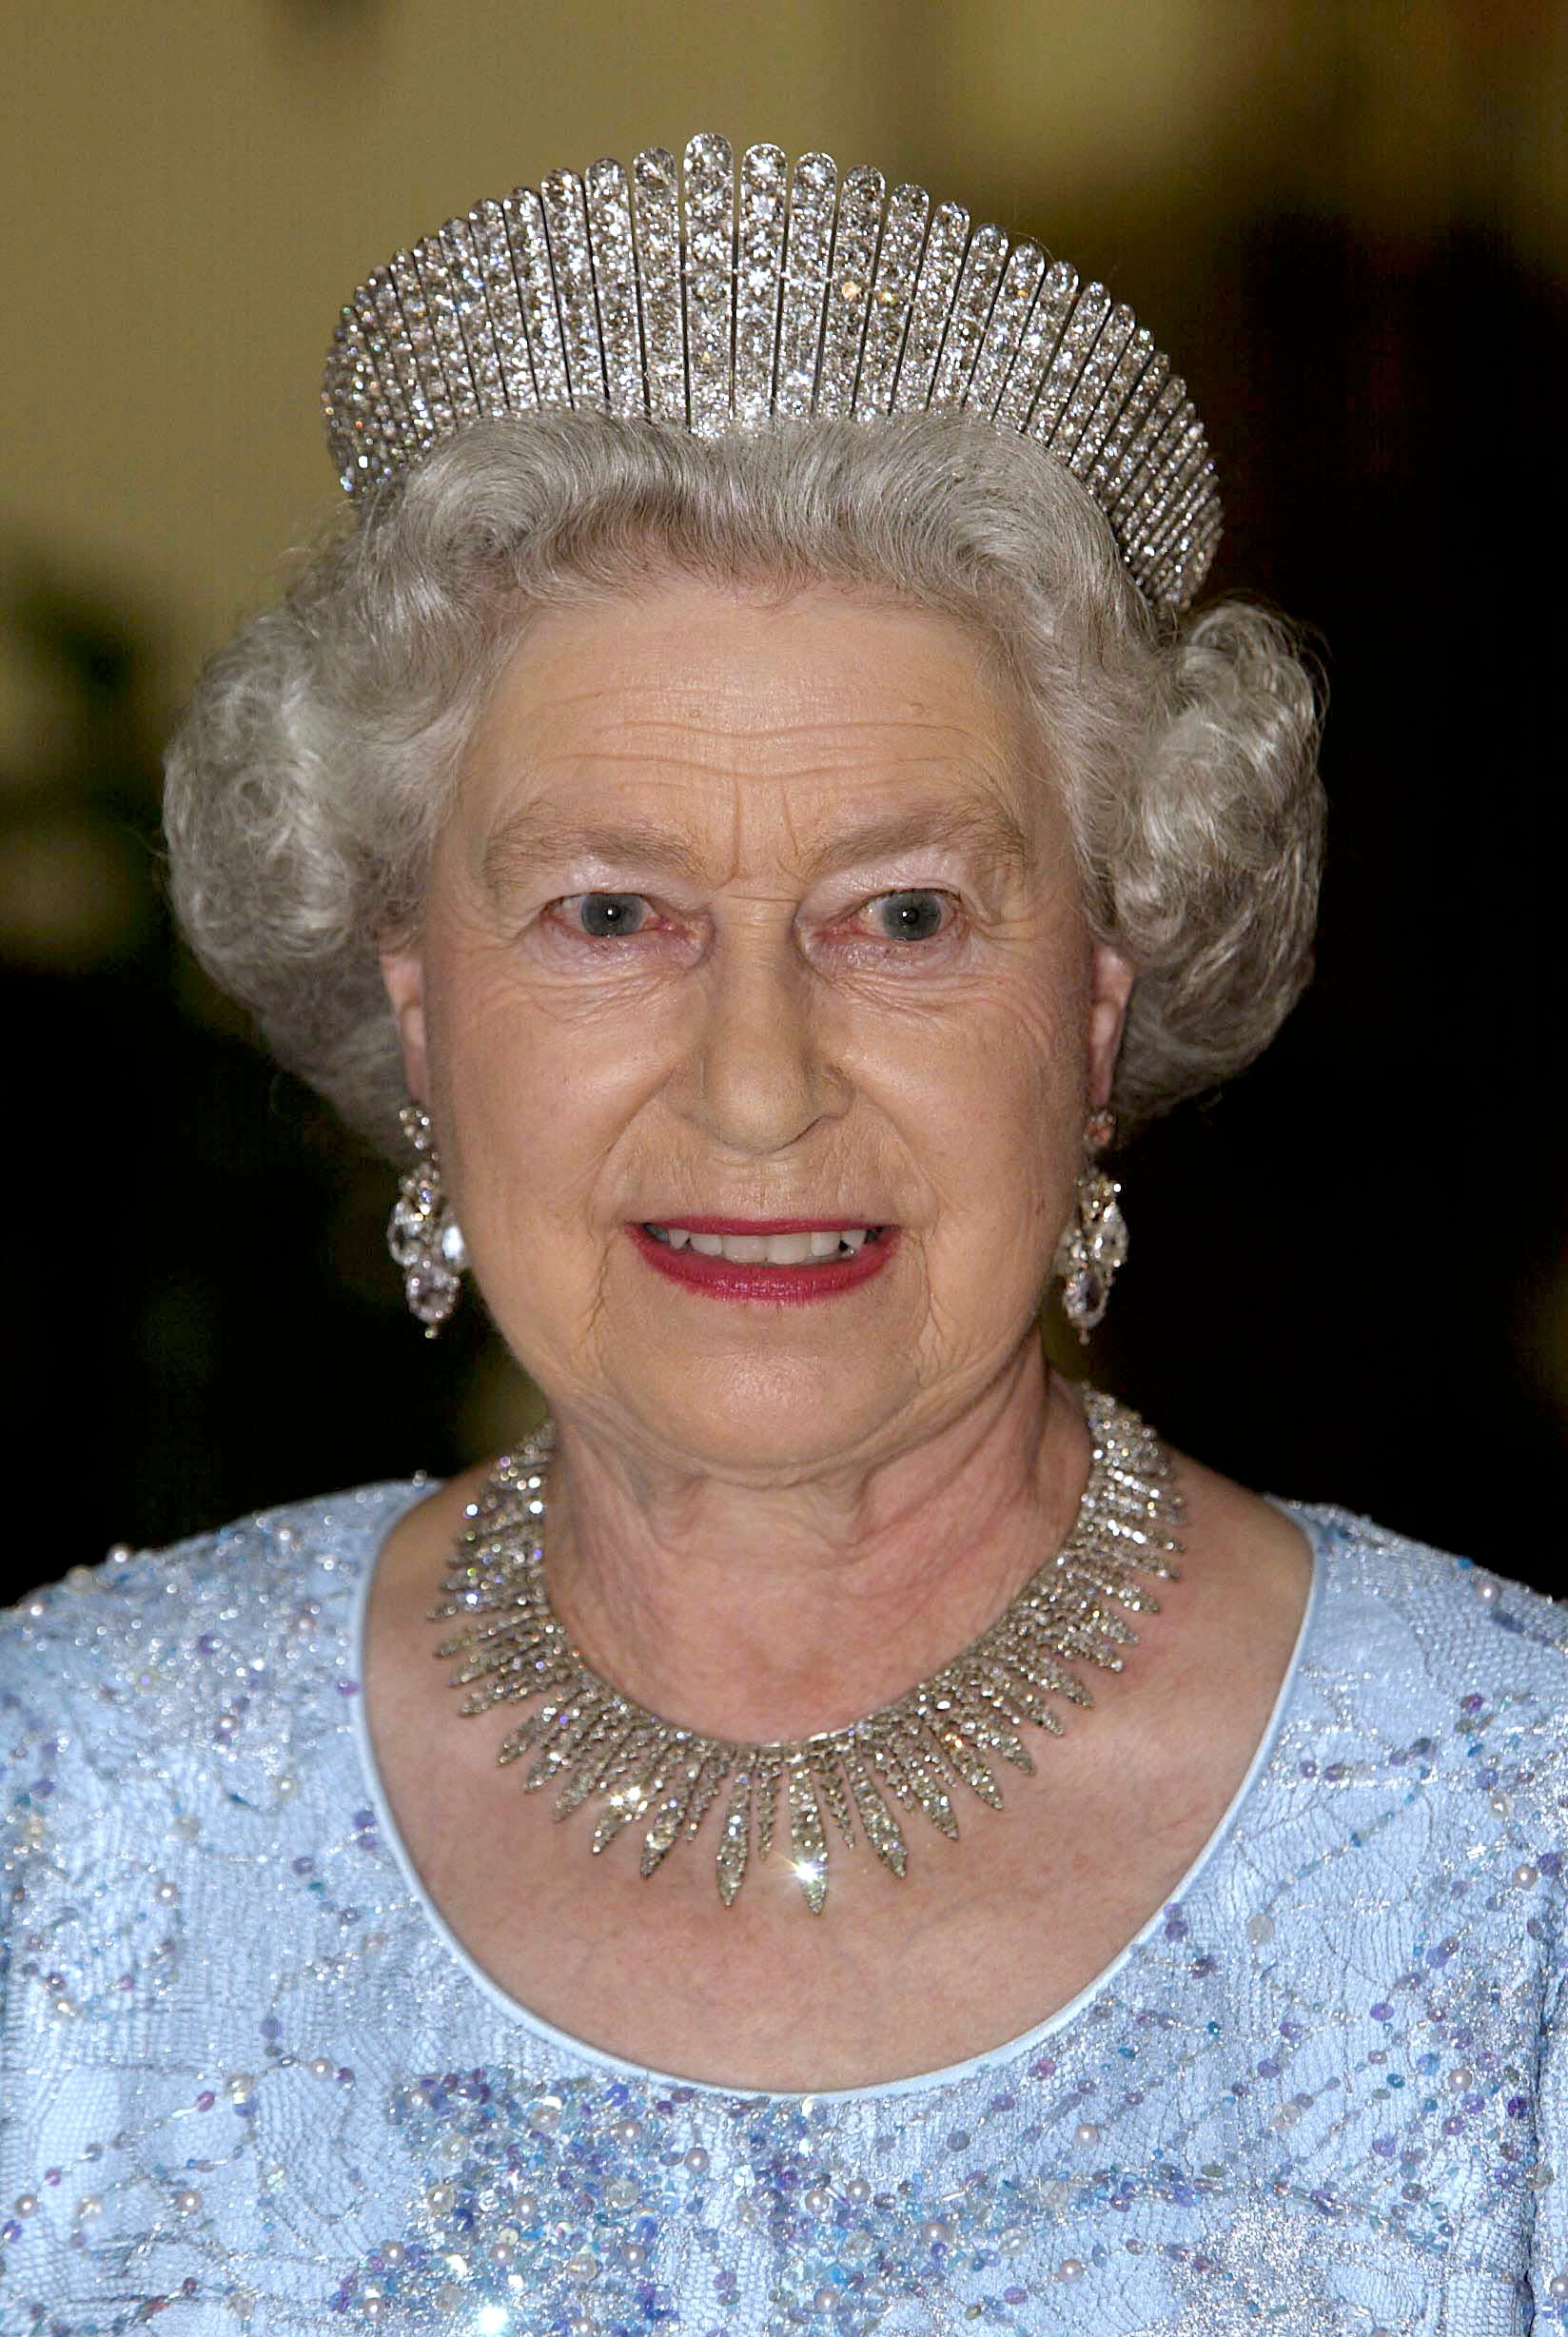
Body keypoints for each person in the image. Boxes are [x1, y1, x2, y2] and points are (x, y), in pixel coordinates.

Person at [2, 132, 1564, 2335]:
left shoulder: (1514, 1842)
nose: (757, 1083)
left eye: (904, 914)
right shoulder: (67, 1812)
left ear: (1091, 1012)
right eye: (610, 913)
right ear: (416, 1004)